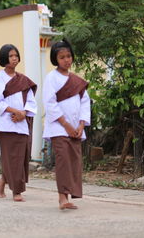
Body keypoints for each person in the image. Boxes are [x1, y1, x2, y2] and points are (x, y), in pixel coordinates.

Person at [42, 39, 90, 210]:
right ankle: (62, 198)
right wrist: (66, 125)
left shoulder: (77, 81)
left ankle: (70, 194)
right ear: (56, 59)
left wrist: (81, 125)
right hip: (58, 129)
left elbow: (85, 102)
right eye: (62, 57)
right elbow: (50, 103)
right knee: (63, 161)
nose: (66, 60)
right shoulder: (51, 78)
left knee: (75, 161)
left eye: (68, 56)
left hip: (76, 130)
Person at [0, 44, 37, 202]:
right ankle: (16, 191)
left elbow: (31, 101)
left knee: (18, 158)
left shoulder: (23, 80)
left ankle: (3, 181)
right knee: (11, 158)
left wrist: (23, 113)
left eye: (16, 55)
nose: (14, 58)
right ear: (4, 58)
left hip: (22, 124)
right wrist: (14, 111)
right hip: (5, 124)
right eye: (11, 56)